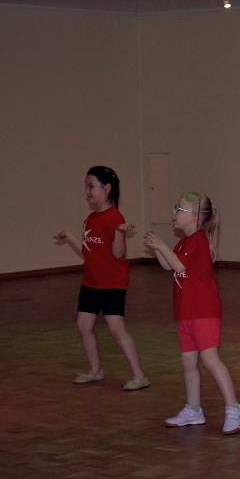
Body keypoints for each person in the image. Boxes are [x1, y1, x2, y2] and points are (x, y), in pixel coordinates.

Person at [144, 192, 240, 435]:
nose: (174, 213)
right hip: (186, 313)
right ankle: (193, 409)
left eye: (179, 209)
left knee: (210, 359)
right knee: (188, 362)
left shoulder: (199, 241)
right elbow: (169, 266)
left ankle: (234, 408)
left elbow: (179, 265)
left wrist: (162, 246)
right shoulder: (183, 243)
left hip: (203, 312)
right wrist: (158, 250)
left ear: (196, 216)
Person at [53, 166, 149, 391]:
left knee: (116, 329)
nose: (87, 192)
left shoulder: (115, 218)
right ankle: (95, 370)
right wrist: (69, 237)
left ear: (107, 188)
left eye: (91, 187)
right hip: (91, 282)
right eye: (86, 187)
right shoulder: (90, 219)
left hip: (112, 283)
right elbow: (87, 253)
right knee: (83, 324)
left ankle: (139, 376)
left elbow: (118, 254)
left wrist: (119, 233)